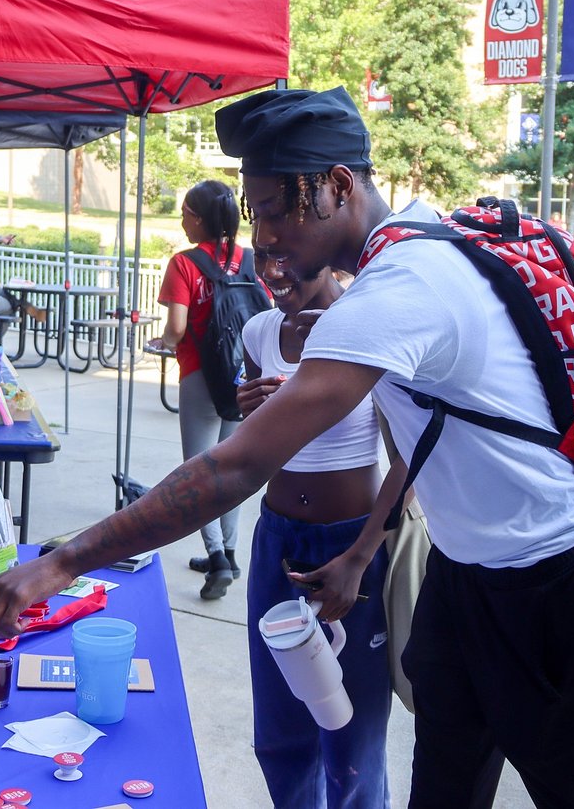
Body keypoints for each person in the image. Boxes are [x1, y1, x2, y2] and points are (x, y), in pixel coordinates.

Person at [0, 87, 574, 808]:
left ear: (336, 187)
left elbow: (235, 464)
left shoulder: (406, 285)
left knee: (571, 790)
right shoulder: (402, 260)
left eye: (272, 210)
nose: (261, 238)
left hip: (551, 577)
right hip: (465, 574)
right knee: (443, 785)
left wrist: (62, 563)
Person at [237, 253, 390, 808]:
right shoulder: (260, 331)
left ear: (321, 250)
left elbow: (410, 460)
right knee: (280, 735)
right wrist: (248, 409)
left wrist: (360, 556)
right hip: (278, 544)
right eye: (263, 257)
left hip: (351, 545)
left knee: (352, 737)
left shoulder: (370, 326)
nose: (273, 272)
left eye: (286, 258)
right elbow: (251, 442)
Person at [148, 179, 266, 599]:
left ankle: (216, 557)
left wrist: (161, 340)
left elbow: (177, 329)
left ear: (198, 218)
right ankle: (230, 553)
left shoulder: (185, 263)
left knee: (198, 471)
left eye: (184, 213)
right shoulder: (251, 259)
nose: (181, 221)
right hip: (241, 379)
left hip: (200, 377)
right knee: (231, 468)